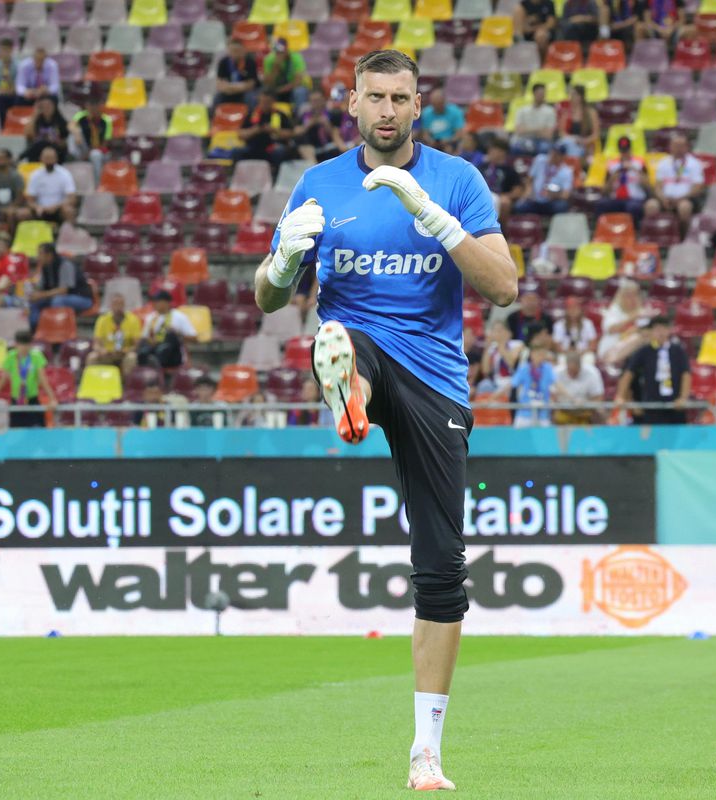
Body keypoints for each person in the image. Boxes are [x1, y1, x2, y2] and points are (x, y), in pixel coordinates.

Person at [254, 49, 517, 791]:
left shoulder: (456, 181)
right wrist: (280, 269)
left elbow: (503, 287)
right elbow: (266, 299)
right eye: (376, 97)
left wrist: (433, 218)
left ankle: (425, 750)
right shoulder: (318, 184)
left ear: (418, 105)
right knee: (342, 339)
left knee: (442, 568)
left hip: (436, 379)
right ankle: (348, 390)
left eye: (401, 97)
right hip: (362, 346)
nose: (389, 110)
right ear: (353, 103)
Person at [616, 315, 692, 425]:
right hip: (651, 406)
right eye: (657, 329)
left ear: (669, 330)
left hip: (674, 407)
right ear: (651, 331)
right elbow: (628, 373)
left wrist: (683, 397)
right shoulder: (644, 351)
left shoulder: (678, 351)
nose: (660, 332)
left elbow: (686, 374)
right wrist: (621, 396)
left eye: (663, 329)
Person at [0, 330, 56, 427]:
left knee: (38, 433)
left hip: (32, 401)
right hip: (16, 401)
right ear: (16, 344)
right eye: (21, 344)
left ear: (31, 344)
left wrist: (52, 399)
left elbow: (43, 380)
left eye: (27, 344)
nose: (24, 347)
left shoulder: (36, 356)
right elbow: (2, 380)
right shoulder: (10, 357)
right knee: (16, 435)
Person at [647, 133, 705, 234]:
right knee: (651, 205)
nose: (678, 149)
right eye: (675, 146)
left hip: (686, 199)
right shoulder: (663, 163)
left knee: (684, 208)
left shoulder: (694, 163)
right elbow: (658, 186)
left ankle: (683, 237)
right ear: (670, 147)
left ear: (687, 147)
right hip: (665, 199)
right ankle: (654, 236)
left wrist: (680, 199)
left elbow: (698, 187)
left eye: (681, 146)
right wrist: (663, 198)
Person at [27, 243, 93, 326]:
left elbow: (63, 291)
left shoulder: (65, 264)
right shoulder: (45, 267)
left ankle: (57, 330)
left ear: (49, 255)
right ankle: (35, 329)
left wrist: (41, 295)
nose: (38, 257)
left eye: (40, 254)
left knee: (58, 301)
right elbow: (41, 287)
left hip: (82, 298)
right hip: (58, 297)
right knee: (35, 302)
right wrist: (33, 290)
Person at [136, 289, 198, 371]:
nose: (154, 304)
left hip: (174, 354)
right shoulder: (151, 318)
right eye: (154, 301)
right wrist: (151, 340)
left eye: (157, 301)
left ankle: (156, 361)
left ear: (166, 302)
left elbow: (194, 338)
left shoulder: (179, 317)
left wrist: (178, 334)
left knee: (170, 336)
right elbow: (143, 337)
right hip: (154, 349)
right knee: (143, 351)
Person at [236, 90, 297, 165]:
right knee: (236, 151)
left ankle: (275, 174)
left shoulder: (280, 115)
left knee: (279, 151)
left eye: (267, 102)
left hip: (273, 146)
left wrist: (273, 130)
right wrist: (255, 130)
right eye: (262, 101)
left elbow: (290, 134)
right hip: (253, 147)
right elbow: (240, 135)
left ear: (273, 101)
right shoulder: (251, 114)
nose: (264, 104)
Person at [514, 142, 576, 215]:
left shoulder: (566, 172)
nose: (553, 156)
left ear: (562, 157)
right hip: (535, 199)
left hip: (551, 202)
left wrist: (555, 195)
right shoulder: (540, 160)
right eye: (552, 152)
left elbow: (566, 195)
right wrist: (528, 191)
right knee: (519, 206)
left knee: (561, 206)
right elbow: (530, 179)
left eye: (556, 154)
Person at [597, 135, 649, 221]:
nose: (625, 154)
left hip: (634, 198)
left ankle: (635, 231)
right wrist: (612, 179)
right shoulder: (612, 164)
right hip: (616, 199)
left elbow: (648, 185)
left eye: (627, 150)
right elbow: (605, 190)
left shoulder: (639, 163)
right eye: (622, 151)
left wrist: (635, 170)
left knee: (633, 207)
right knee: (601, 204)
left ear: (630, 149)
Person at [598, 278, 648, 363]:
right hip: (611, 350)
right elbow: (612, 329)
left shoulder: (643, 312)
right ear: (621, 296)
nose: (632, 299)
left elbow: (646, 332)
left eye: (635, 295)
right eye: (628, 295)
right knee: (637, 338)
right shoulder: (614, 310)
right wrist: (633, 317)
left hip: (635, 353)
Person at [88, 293, 141, 373]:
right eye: (115, 304)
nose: (118, 307)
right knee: (92, 357)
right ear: (111, 305)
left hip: (124, 354)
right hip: (107, 353)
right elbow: (96, 344)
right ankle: (93, 383)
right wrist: (101, 350)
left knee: (131, 357)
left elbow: (137, 345)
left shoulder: (133, 320)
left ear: (124, 305)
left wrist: (127, 350)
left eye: (120, 304)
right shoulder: (102, 320)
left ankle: (127, 384)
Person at [24, 145, 77, 223]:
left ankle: (70, 234)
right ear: (41, 159)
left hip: (59, 208)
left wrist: (57, 206)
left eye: (51, 158)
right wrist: (37, 207)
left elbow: (72, 198)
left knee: (69, 211)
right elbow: (30, 200)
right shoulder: (35, 175)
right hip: (40, 209)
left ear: (56, 159)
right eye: (46, 158)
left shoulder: (64, 174)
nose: (49, 161)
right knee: (23, 214)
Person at [551, 350, 603, 424]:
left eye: (574, 371)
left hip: (585, 412)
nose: (572, 374)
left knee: (600, 413)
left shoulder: (592, 373)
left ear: (580, 366)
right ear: (566, 365)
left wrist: (586, 404)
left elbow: (598, 397)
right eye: (570, 371)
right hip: (563, 411)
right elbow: (552, 395)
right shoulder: (557, 373)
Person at [478, 139, 523, 225]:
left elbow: (517, 191)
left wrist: (506, 196)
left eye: (493, 150)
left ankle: (501, 231)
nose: (489, 152)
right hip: (481, 194)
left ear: (502, 152)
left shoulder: (509, 170)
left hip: (499, 196)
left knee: (505, 202)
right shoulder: (482, 167)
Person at [296, 89, 348, 163]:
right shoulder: (305, 115)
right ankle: (314, 167)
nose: (316, 103)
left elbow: (336, 133)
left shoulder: (332, 114)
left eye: (318, 100)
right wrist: (308, 125)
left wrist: (326, 123)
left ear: (323, 100)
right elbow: (296, 132)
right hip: (310, 146)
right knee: (303, 146)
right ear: (309, 102)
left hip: (329, 144)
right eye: (313, 101)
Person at [511, 343, 556, 427]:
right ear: (532, 354)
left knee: (544, 439)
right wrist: (493, 397)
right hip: (524, 413)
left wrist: (572, 398)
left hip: (542, 414)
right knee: (519, 439)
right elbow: (511, 384)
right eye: (539, 354)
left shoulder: (548, 369)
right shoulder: (524, 368)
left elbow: (557, 384)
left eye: (543, 354)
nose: (541, 356)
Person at [68, 98, 113, 179]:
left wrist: (91, 151)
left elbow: (106, 142)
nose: (93, 109)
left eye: (96, 106)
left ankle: (97, 184)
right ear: (87, 107)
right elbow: (70, 125)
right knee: (72, 136)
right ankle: (74, 156)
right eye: (91, 106)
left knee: (95, 155)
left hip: (99, 150)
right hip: (84, 148)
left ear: (100, 107)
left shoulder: (106, 120)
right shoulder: (81, 115)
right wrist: (76, 132)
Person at [511, 83, 558, 155]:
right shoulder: (522, 110)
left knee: (545, 147)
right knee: (515, 146)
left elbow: (548, 135)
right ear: (534, 93)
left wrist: (527, 130)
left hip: (542, 141)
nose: (541, 96)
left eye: (543, 93)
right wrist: (539, 130)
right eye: (539, 93)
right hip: (525, 140)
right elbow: (519, 131)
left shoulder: (550, 111)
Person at [261, 37, 308, 107]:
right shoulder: (269, 60)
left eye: (281, 51)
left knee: (299, 92)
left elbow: (297, 82)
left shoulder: (296, 58)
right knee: (264, 92)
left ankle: (299, 115)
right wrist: (275, 68)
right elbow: (268, 83)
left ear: (287, 49)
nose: (279, 54)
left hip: (292, 88)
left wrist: (281, 90)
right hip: (275, 88)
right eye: (277, 51)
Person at [23, 94, 70, 164]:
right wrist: (35, 115)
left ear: (54, 106)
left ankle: (21, 157)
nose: (46, 108)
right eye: (43, 106)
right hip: (39, 150)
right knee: (39, 144)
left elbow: (65, 143)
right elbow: (28, 135)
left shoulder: (61, 122)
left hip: (56, 150)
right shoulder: (37, 121)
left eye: (49, 105)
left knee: (44, 143)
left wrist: (55, 141)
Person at [215, 38, 259, 109]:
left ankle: (250, 119)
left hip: (245, 92)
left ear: (243, 50)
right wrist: (228, 88)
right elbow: (219, 83)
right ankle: (214, 119)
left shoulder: (250, 62)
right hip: (228, 91)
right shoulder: (223, 62)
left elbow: (251, 84)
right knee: (217, 98)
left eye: (237, 50)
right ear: (228, 51)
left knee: (252, 98)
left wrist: (234, 88)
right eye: (233, 50)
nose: (235, 53)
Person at [0, 148, 27, 222]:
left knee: (13, 214)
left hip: (13, 207)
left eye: (2, 158)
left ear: (9, 160)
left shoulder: (16, 176)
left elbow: (19, 198)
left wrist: (11, 208)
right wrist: (0, 209)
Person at [558, 85, 599, 156]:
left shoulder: (591, 113)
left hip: (585, 145)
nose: (570, 97)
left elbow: (595, 135)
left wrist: (583, 141)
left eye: (573, 95)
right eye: (570, 95)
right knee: (560, 145)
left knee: (573, 150)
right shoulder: (566, 113)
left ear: (580, 97)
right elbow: (561, 133)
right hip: (570, 142)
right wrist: (573, 139)